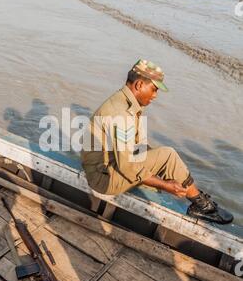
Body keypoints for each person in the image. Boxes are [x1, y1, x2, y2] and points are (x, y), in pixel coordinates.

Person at [81, 59, 233, 225]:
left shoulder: (125, 102)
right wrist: (165, 185)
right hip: (103, 179)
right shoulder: (122, 114)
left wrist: (156, 167)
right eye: (153, 89)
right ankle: (202, 205)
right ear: (139, 85)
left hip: (104, 168)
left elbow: (138, 146)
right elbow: (127, 166)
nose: (155, 95)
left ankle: (191, 192)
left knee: (160, 159)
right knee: (168, 155)